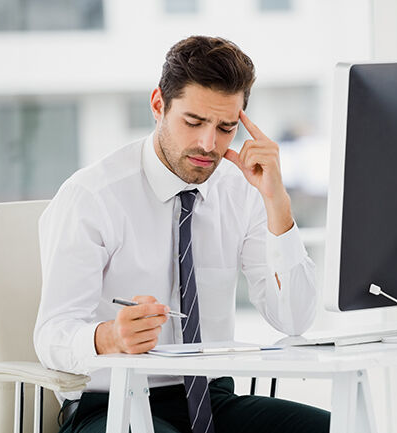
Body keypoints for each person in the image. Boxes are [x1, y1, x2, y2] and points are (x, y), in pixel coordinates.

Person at [34, 35, 330, 433]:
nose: (208, 145)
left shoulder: (242, 190)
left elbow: (294, 320)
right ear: (159, 105)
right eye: (193, 122)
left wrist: (278, 203)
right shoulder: (92, 196)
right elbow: (52, 336)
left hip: (213, 398)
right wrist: (110, 338)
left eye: (226, 128)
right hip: (113, 403)